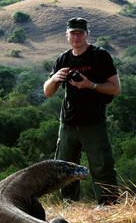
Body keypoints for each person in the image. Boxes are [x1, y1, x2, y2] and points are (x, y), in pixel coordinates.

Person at [43, 17, 121, 205]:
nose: (76, 37)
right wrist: (54, 79)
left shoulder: (99, 56)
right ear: (67, 35)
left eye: (80, 33)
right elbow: (48, 92)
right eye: (72, 33)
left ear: (87, 34)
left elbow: (115, 88)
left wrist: (90, 84)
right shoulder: (63, 59)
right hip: (68, 123)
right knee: (64, 168)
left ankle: (108, 205)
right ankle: (69, 205)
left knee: (102, 166)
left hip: (93, 121)